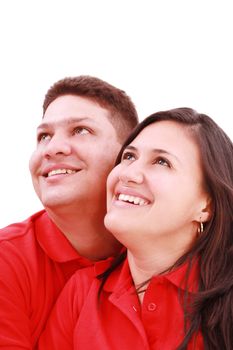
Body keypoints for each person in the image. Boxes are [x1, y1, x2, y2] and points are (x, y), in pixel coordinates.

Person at [39, 107, 233, 349]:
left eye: (161, 162)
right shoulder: (81, 292)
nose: (129, 173)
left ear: (206, 207)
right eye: (129, 157)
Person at [0, 75, 138, 348]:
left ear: (126, 157)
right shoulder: (8, 261)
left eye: (80, 130)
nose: (52, 148)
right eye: (44, 136)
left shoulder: (160, 250)